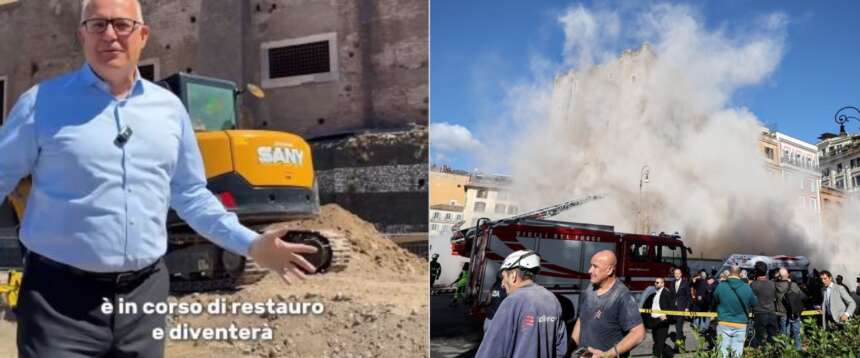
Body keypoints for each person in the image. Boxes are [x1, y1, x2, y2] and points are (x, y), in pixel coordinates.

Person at [1, 1, 318, 356]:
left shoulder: (169, 110)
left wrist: (251, 244)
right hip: (58, 302)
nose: (110, 35)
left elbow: (191, 195)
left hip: (143, 298)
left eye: (122, 24)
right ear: (82, 35)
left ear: (143, 35)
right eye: (97, 24)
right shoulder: (41, 104)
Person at [475, 250, 567, 358]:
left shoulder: (512, 302)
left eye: (504, 277)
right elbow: (560, 350)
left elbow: (491, 351)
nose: (502, 284)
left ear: (513, 276)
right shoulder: (551, 299)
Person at [572, 250, 645, 357]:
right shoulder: (591, 287)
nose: (589, 270)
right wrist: (571, 348)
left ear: (609, 270)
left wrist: (607, 355)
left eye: (595, 266)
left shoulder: (622, 296)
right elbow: (581, 320)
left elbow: (639, 334)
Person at [713, 265, 757, 358]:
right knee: (737, 353)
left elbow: (714, 300)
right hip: (740, 323)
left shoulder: (721, 286)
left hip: (724, 321)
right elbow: (754, 302)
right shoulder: (746, 287)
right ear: (740, 274)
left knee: (722, 352)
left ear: (729, 272)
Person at [774, 268, 805, 350]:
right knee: (796, 333)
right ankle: (798, 350)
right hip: (794, 312)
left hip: (782, 313)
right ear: (788, 275)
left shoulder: (775, 285)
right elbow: (802, 296)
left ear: (779, 276)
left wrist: (777, 278)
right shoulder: (793, 285)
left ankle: (785, 352)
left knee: (784, 334)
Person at [749, 261, 778, 347]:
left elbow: (750, 300)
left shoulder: (754, 285)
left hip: (759, 314)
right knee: (772, 339)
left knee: (759, 339)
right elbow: (776, 298)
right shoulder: (772, 284)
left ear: (756, 272)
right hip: (772, 313)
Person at [644, 277, 675, 358]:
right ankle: (669, 354)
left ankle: (657, 356)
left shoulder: (666, 293)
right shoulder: (656, 293)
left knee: (660, 342)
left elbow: (672, 307)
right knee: (657, 341)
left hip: (662, 321)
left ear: (662, 284)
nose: (655, 283)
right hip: (654, 321)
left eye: (658, 282)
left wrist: (666, 316)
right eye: (655, 282)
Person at [668, 267, 691, 350]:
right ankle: (682, 343)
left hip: (682, 308)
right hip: (674, 308)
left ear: (681, 274)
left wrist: (687, 307)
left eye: (678, 273)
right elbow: (671, 296)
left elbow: (689, 297)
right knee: (678, 327)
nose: (677, 275)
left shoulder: (685, 283)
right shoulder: (672, 283)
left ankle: (677, 346)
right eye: (675, 273)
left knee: (678, 326)